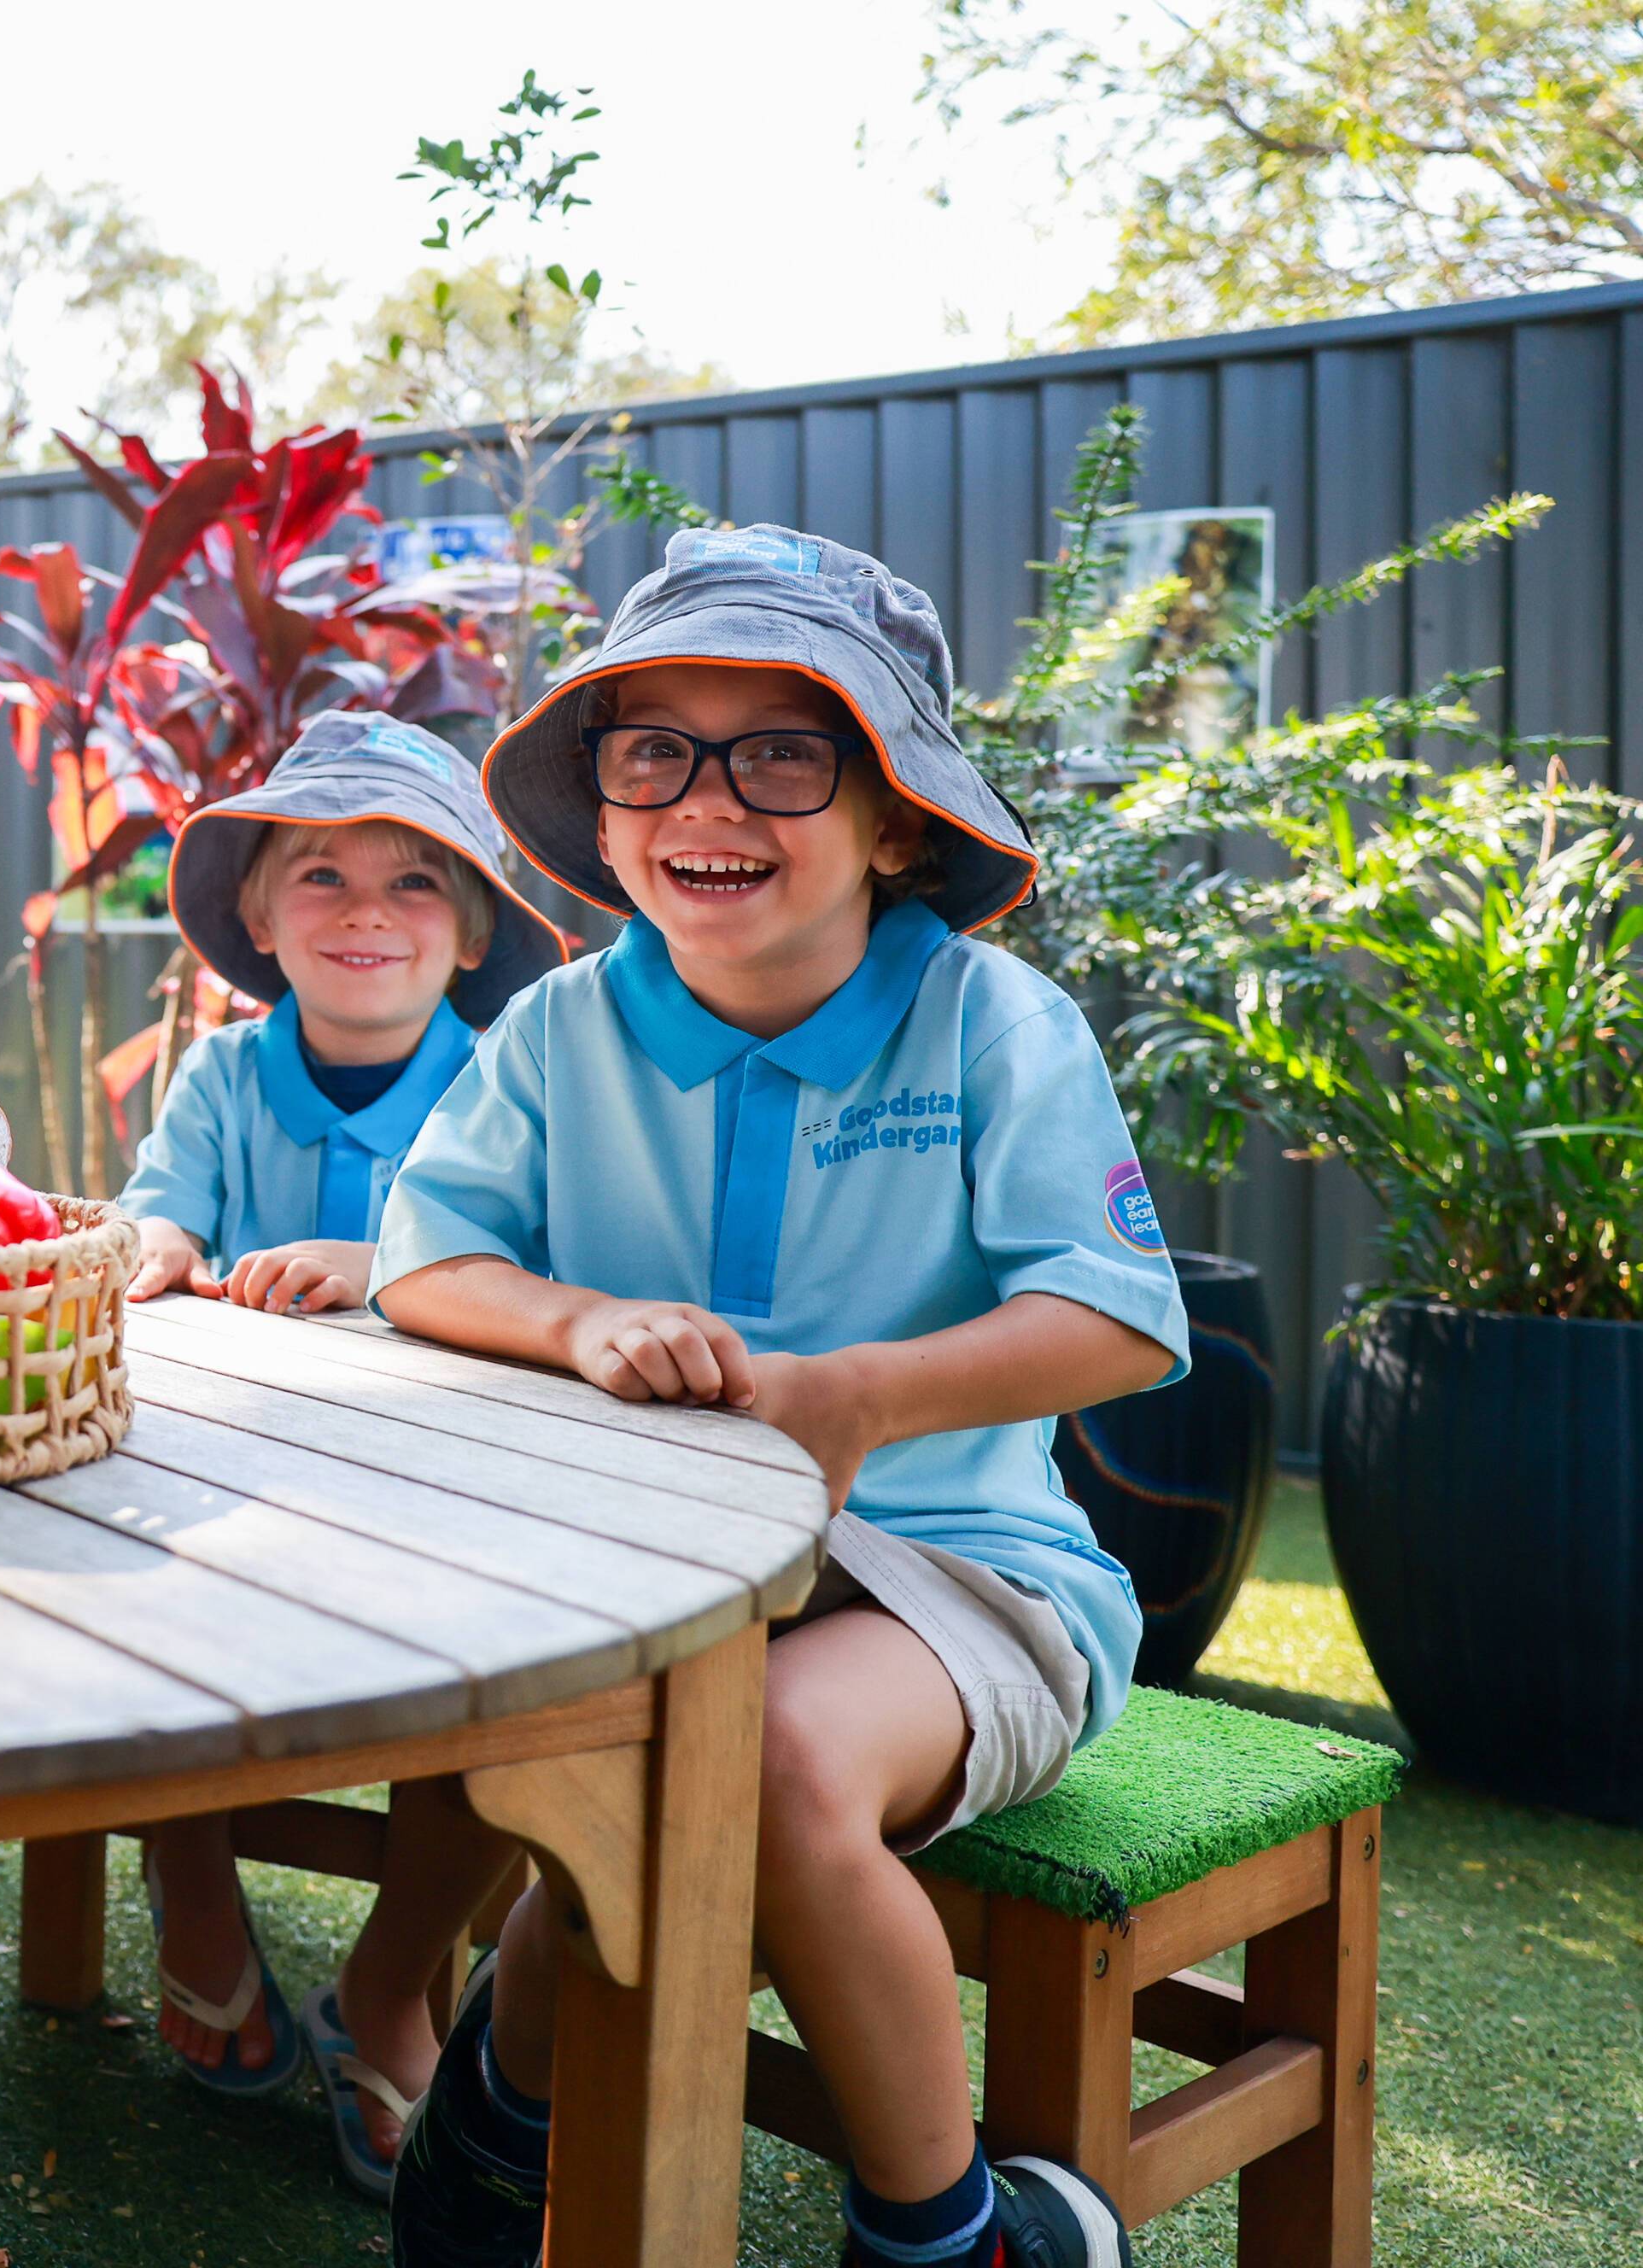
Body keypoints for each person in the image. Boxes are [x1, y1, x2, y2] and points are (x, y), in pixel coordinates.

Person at [373, 525, 1187, 2268]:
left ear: (897, 817)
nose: (709, 798)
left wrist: (857, 1395)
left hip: (967, 1578)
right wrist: (581, 1318)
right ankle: (503, 2138)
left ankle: (940, 2234)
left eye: (785, 752)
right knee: (607, 1771)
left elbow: (1116, 1317)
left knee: (771, 1758)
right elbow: (427, 1264)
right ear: (602, 811)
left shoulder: (993, 1024)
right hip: (664, 1585)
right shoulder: (556, 1033)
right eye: (654, 747)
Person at [109, 711, 571, 2198]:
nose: (366, 911)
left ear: (476, 925)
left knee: (514, 1678)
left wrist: (382, 1262)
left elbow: (535, 1258)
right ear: (256, 915)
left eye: (415, 882)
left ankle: (387, 1978)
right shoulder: (224, 1078)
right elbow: (163, 1213)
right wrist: (160, 1241)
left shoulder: (512, 1079)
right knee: (131, 1591)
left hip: (452, 1491)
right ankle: (186, 1873)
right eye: (319, 873)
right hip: (232, 1478)